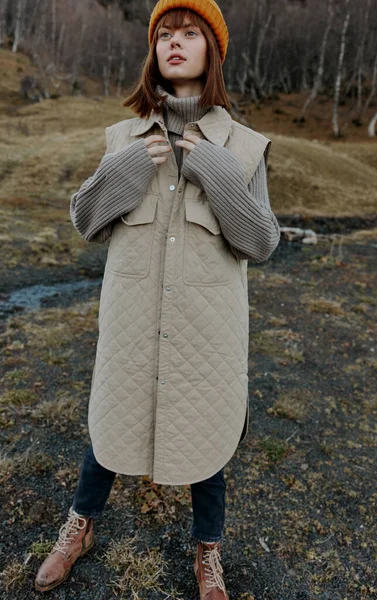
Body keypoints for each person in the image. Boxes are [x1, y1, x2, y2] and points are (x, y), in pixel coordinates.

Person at [34, 0, 281, 597]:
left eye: (189, 34)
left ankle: (208, 553)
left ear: (211, 51)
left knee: (207, 439)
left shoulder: (244, 147)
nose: (174, 42)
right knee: (110, 425)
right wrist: (119, 175)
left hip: (207, 327)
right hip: (131, 320)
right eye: (164, 34)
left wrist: (217, 174)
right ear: (153, 51)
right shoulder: (123, 137)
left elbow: (262, 241)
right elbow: (86, 222)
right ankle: (79, 526)